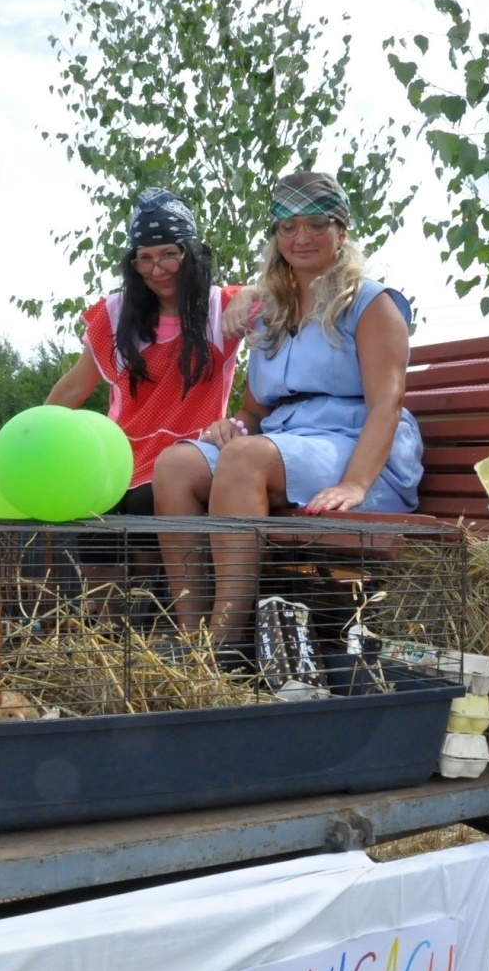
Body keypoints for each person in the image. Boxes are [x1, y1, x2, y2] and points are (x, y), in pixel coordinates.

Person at [152, 172, 423, 654]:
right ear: (275, 237)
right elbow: (256, 408)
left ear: (341, 231)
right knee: (175, 464)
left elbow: (388, 404)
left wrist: (355, 484)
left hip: (358, 447)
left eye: (317, 224)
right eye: (288, 227)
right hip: (286, 441)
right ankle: (189, 635)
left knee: (245, 459)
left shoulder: (370, 303)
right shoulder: (271, 310)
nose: (301, 238)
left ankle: (224, 645)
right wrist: (233, 426)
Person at [44, 188, 248, 606]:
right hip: (120, 454)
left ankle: (154, 613)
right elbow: (74, 387)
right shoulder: (116, 315)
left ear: (191, 252)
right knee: (91, 506)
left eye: (169, 254)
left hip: (191, 452)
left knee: (145, 501)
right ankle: (102, 623)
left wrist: (252, 292)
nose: (157, 269)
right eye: (145, 258)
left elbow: (285, 293)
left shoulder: (219, 308)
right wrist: (29, 439)